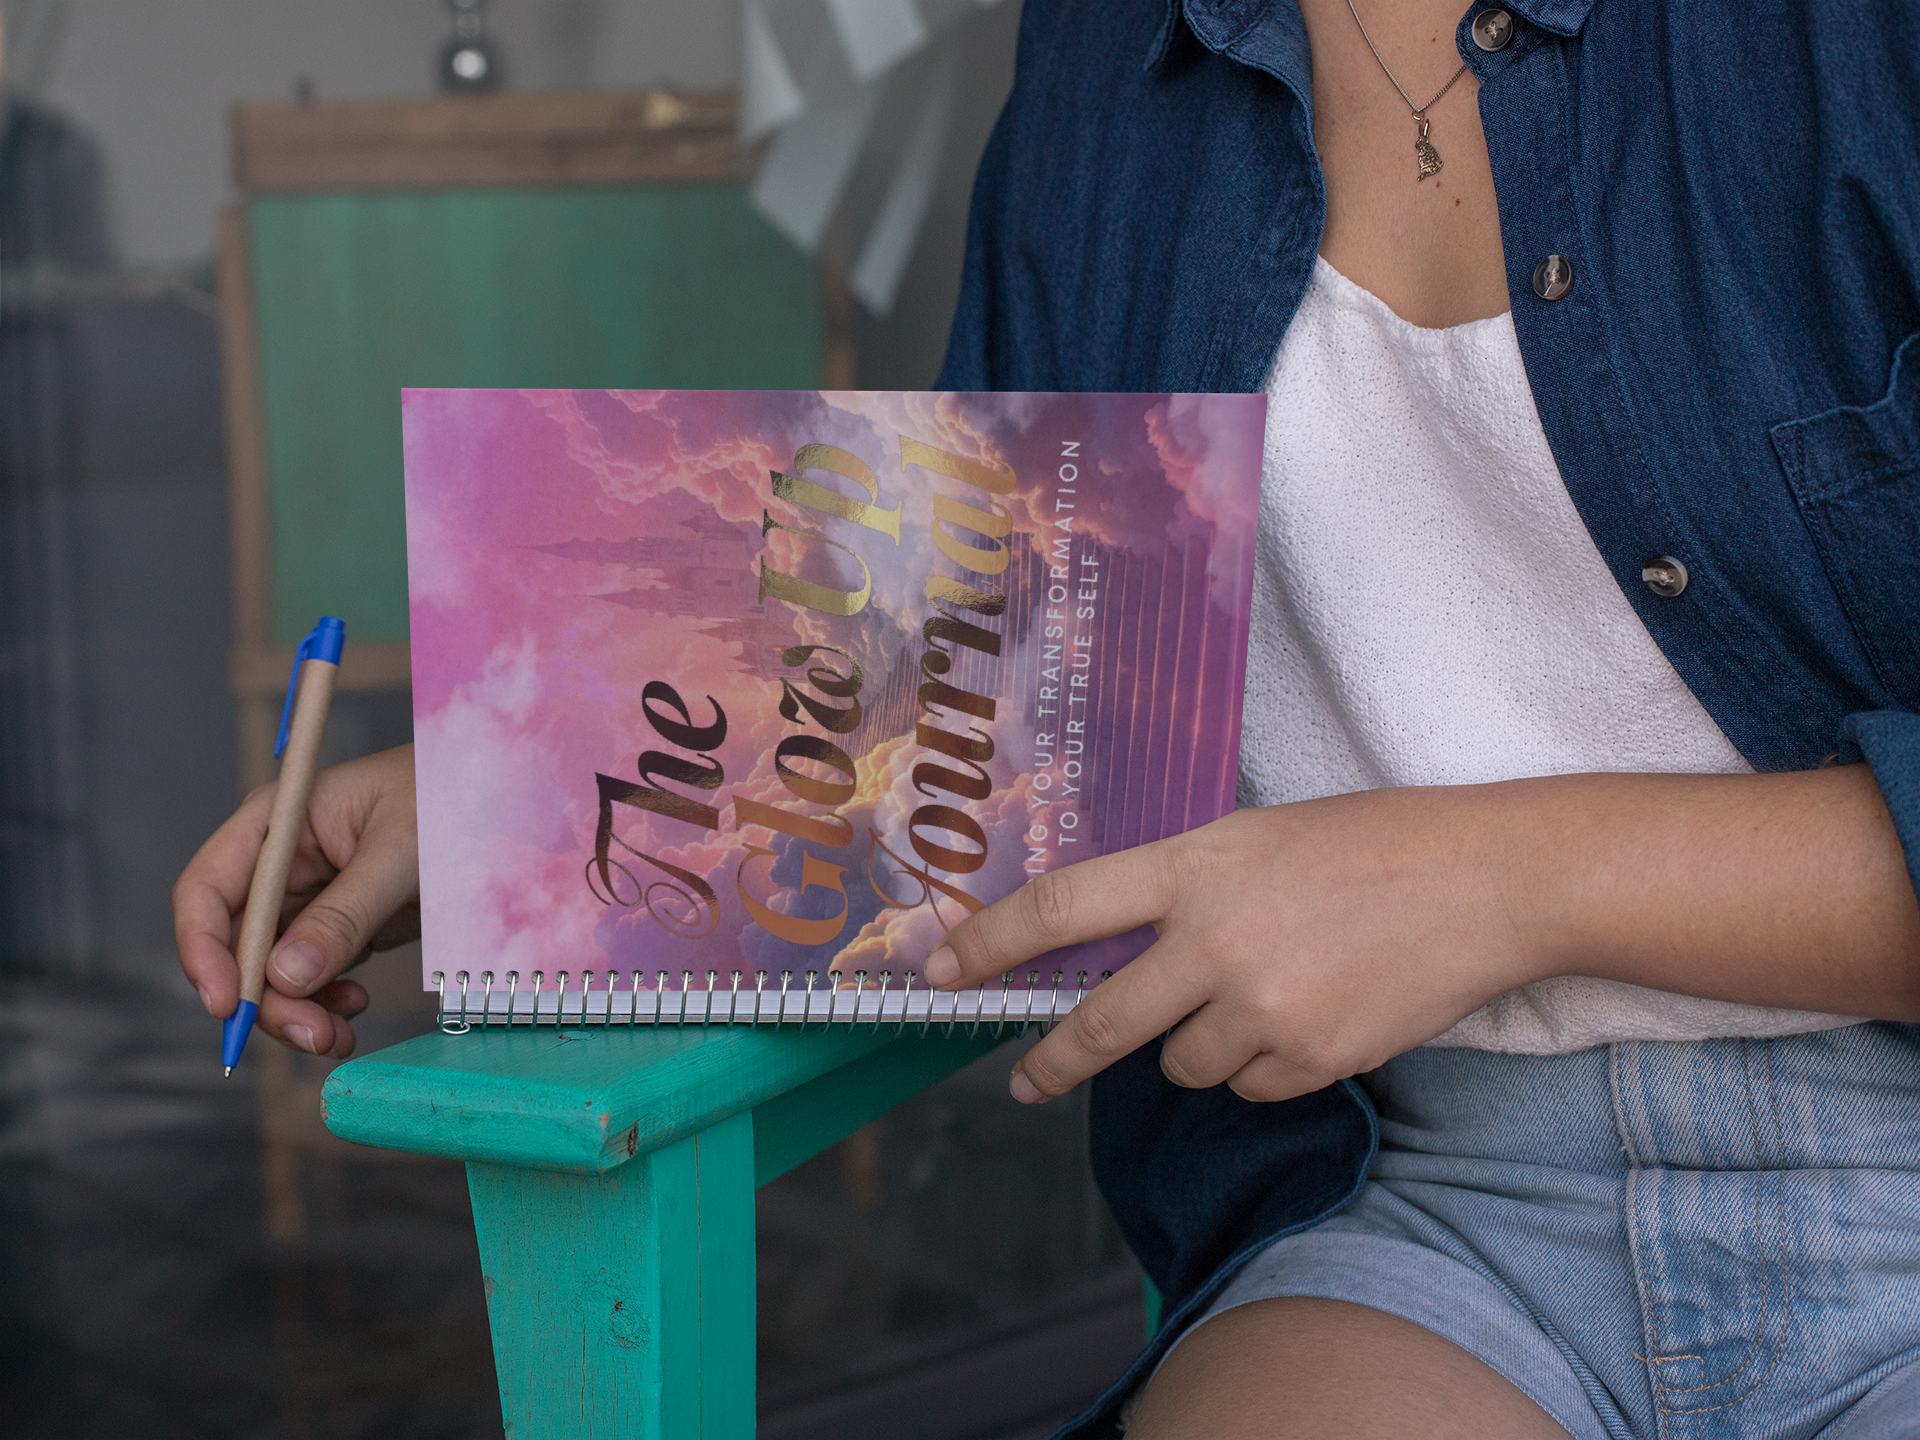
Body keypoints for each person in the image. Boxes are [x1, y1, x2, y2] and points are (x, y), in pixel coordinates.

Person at [176, 1, 1920, 1436]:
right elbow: (971, 678)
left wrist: (1501, 883)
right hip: (1432, 1206)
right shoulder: (1109, 58)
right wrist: (520, 800)